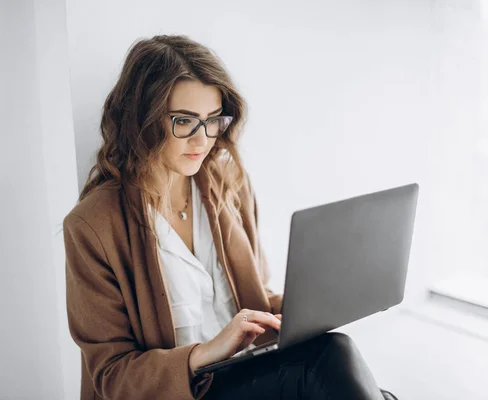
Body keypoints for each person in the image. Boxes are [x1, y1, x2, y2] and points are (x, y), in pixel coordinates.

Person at [64, 34, 397, 400]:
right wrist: (205, 353)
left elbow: (255, 292)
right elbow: (112, 376)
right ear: (141, 118)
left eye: (212, 121)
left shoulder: (227, 182)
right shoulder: (92, 226)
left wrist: (313, 307)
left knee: (343, 362)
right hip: (187, 392)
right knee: (333, 358)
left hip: (249, 369)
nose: (202, 139)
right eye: (184, 121)